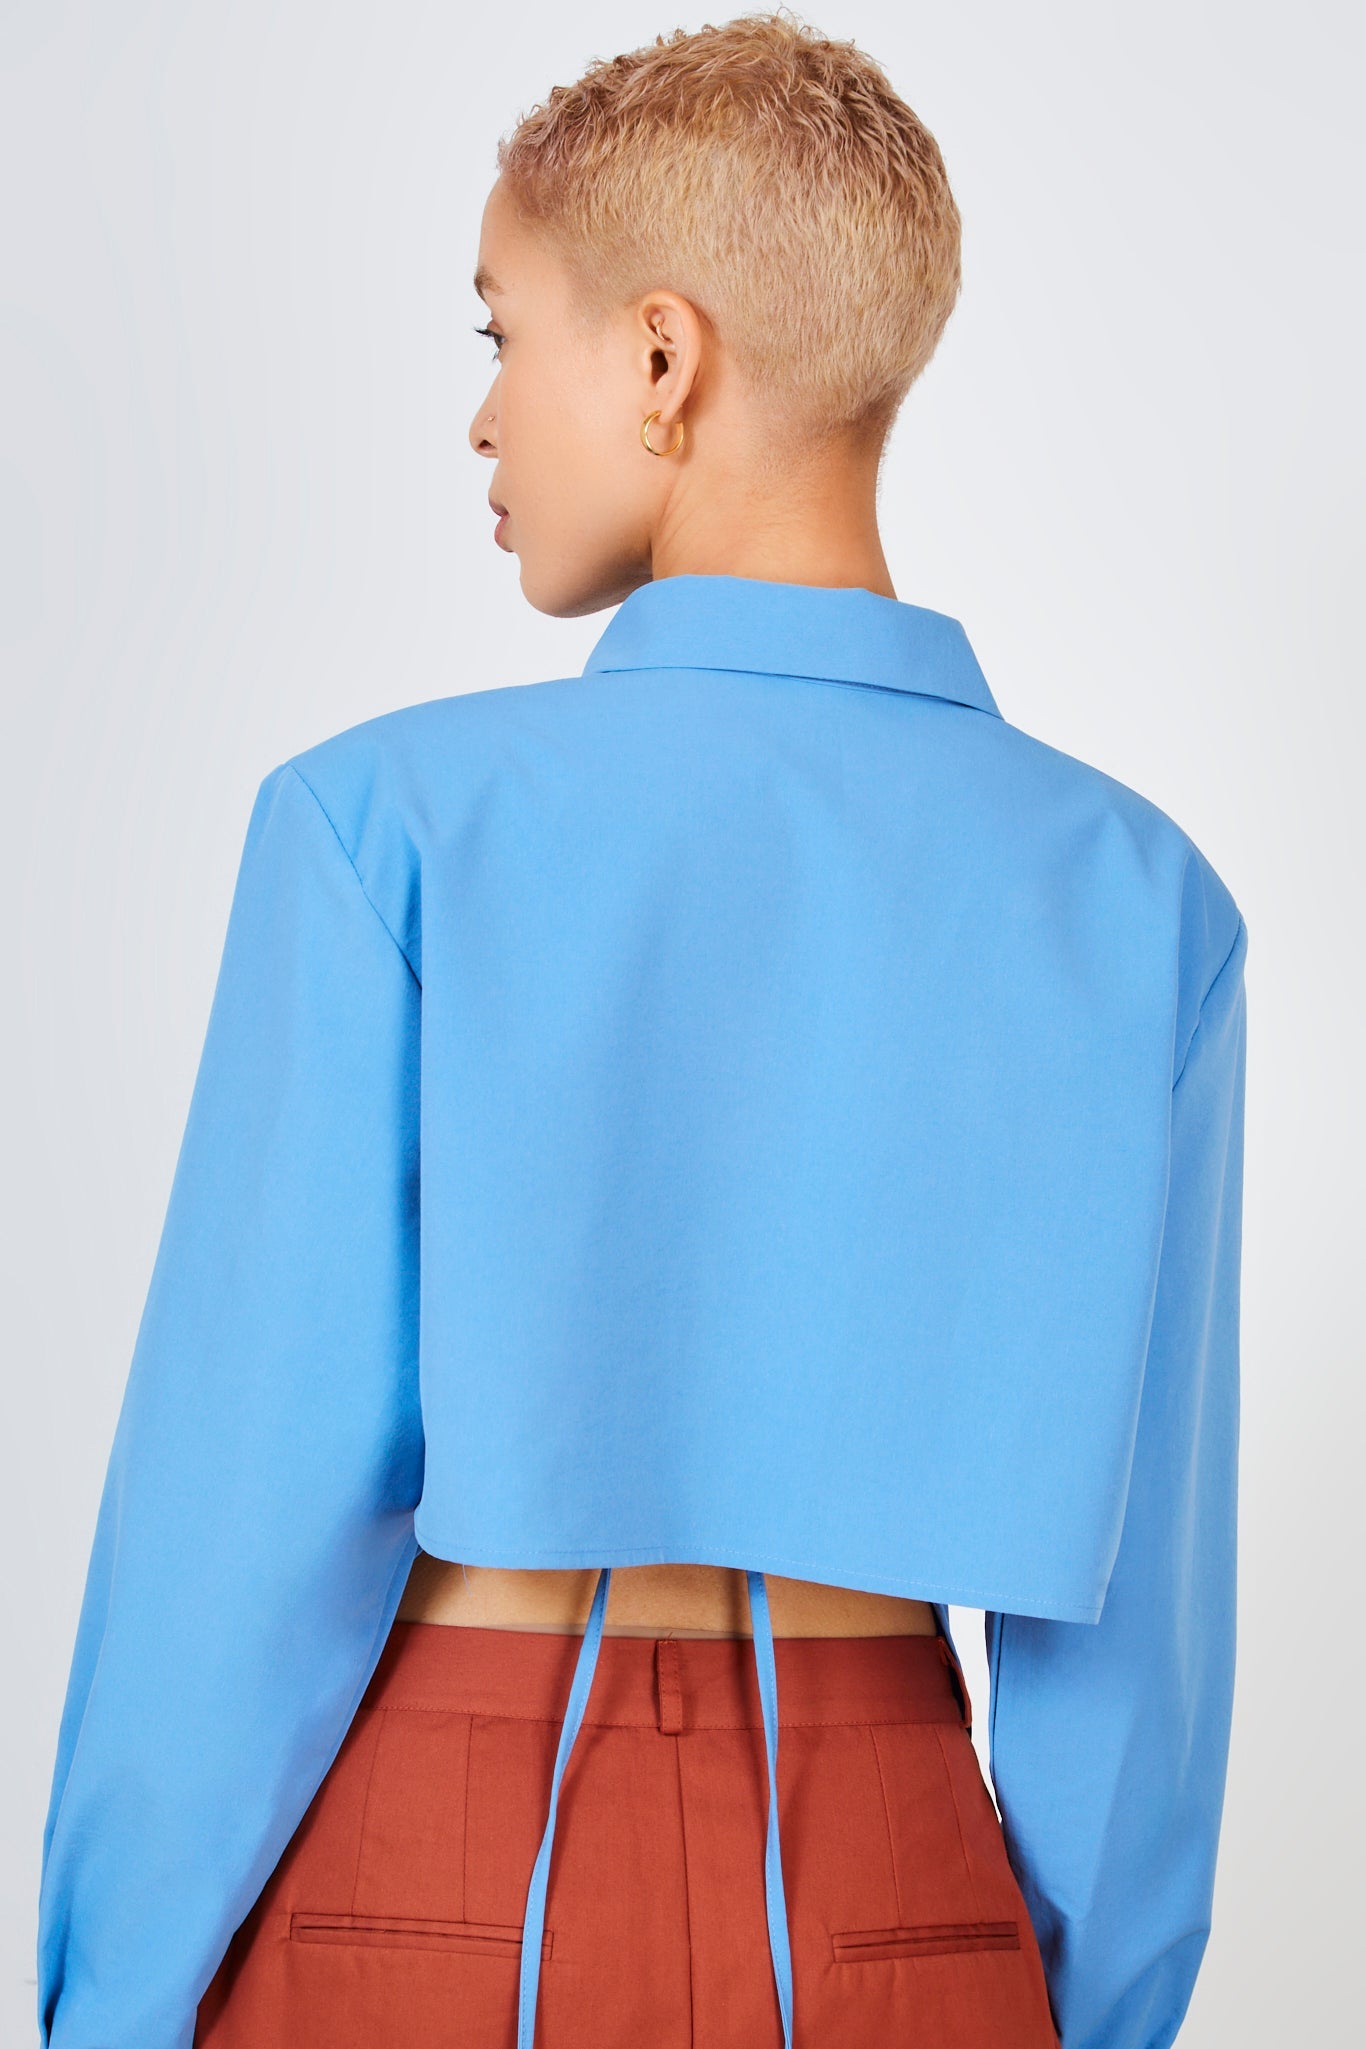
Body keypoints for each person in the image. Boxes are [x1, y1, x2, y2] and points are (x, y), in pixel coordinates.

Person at [36, 13, 1246, 2049]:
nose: (481, 417)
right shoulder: (1142, 900)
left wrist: (107, 1997)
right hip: (900, 1884)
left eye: (500, 332)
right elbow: (1137, 1654)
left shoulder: (384, 826)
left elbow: (239, 1537)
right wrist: (1070, 2003)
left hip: (434, 1869)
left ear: (663, 360)